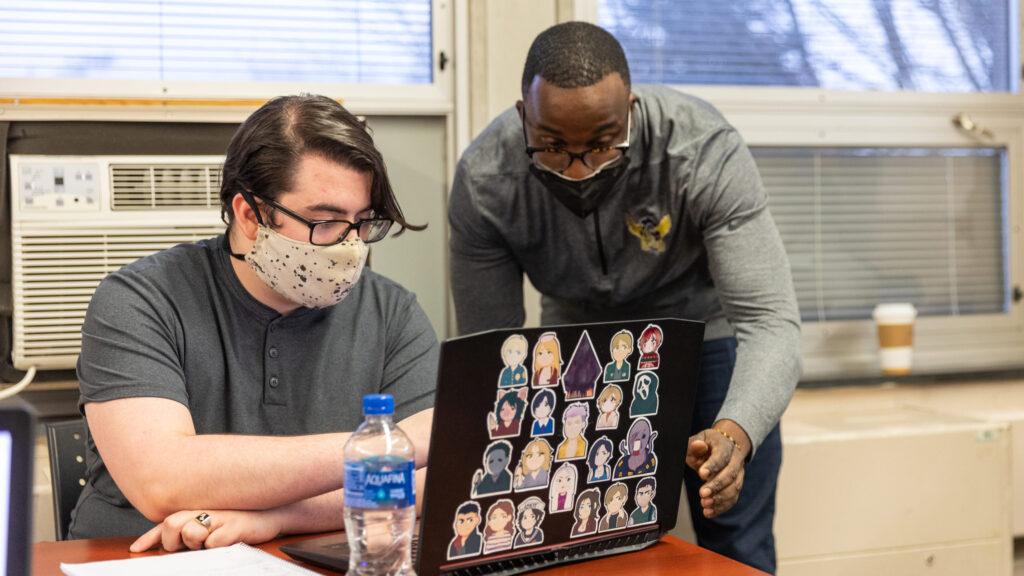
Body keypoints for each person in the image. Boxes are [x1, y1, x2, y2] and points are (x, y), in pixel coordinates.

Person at [448, 21, 801, 573]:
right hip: (576, 351)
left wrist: (737, 430)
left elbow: (771, 321)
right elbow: (497, 351)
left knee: (737, 543)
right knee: (576, 533)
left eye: (602, 143)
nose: (581, 170)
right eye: (555, 148)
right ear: (524, 118)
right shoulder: (486, 181)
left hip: (704, 339)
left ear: (631, 111)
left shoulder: (701, 149)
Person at [72, 95, 439, 552]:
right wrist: (382, 449)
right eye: (325, 222)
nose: (351, 246)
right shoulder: (139, 300)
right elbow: (161, 479)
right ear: (249, 214)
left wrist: (279, 517)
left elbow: (433, 476)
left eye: (363, 223)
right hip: (143, 557)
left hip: (310, 555)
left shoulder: (393, 312)